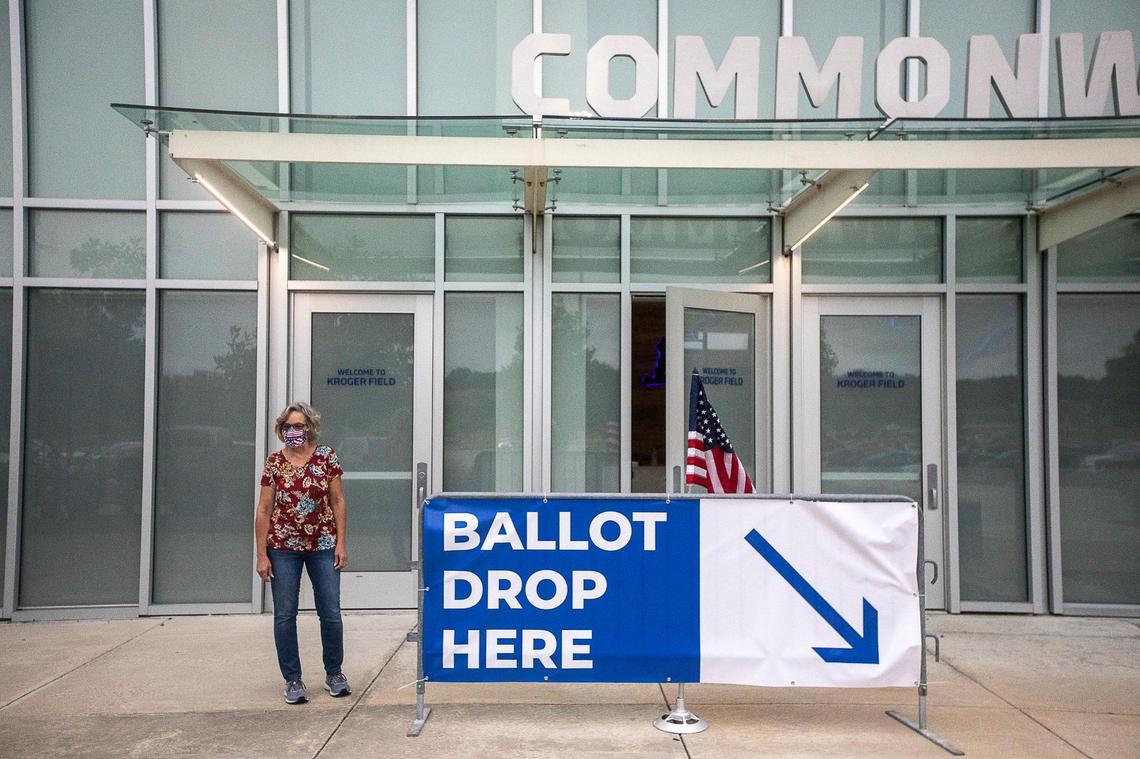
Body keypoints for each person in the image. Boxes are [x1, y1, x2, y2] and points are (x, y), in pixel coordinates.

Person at [255, 401, 351, 704]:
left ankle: (334, 673)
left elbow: (338, 502)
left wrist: (341, 542)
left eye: (298, 426)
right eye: (287, 427)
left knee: (331, 612)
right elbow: (264, 509)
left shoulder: (326, 457)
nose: (293, 431)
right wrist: (261, 554)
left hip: (323, 544)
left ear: (309, 427)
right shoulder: (274, 462)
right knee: (285, 615)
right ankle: (293, 680)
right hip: (283, 547)